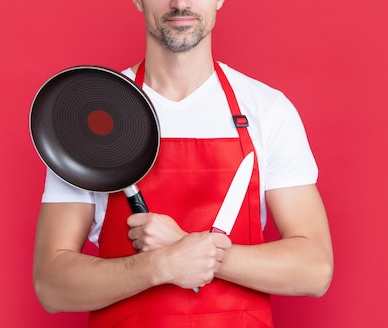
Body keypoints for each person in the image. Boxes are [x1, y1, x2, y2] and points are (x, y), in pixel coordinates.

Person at [32, 0, 334, 326]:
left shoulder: (268, 111)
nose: (180, 3)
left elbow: (315, 269)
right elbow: (51, 285)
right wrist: (160, 265)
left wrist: (190, 247)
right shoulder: (96, 118)